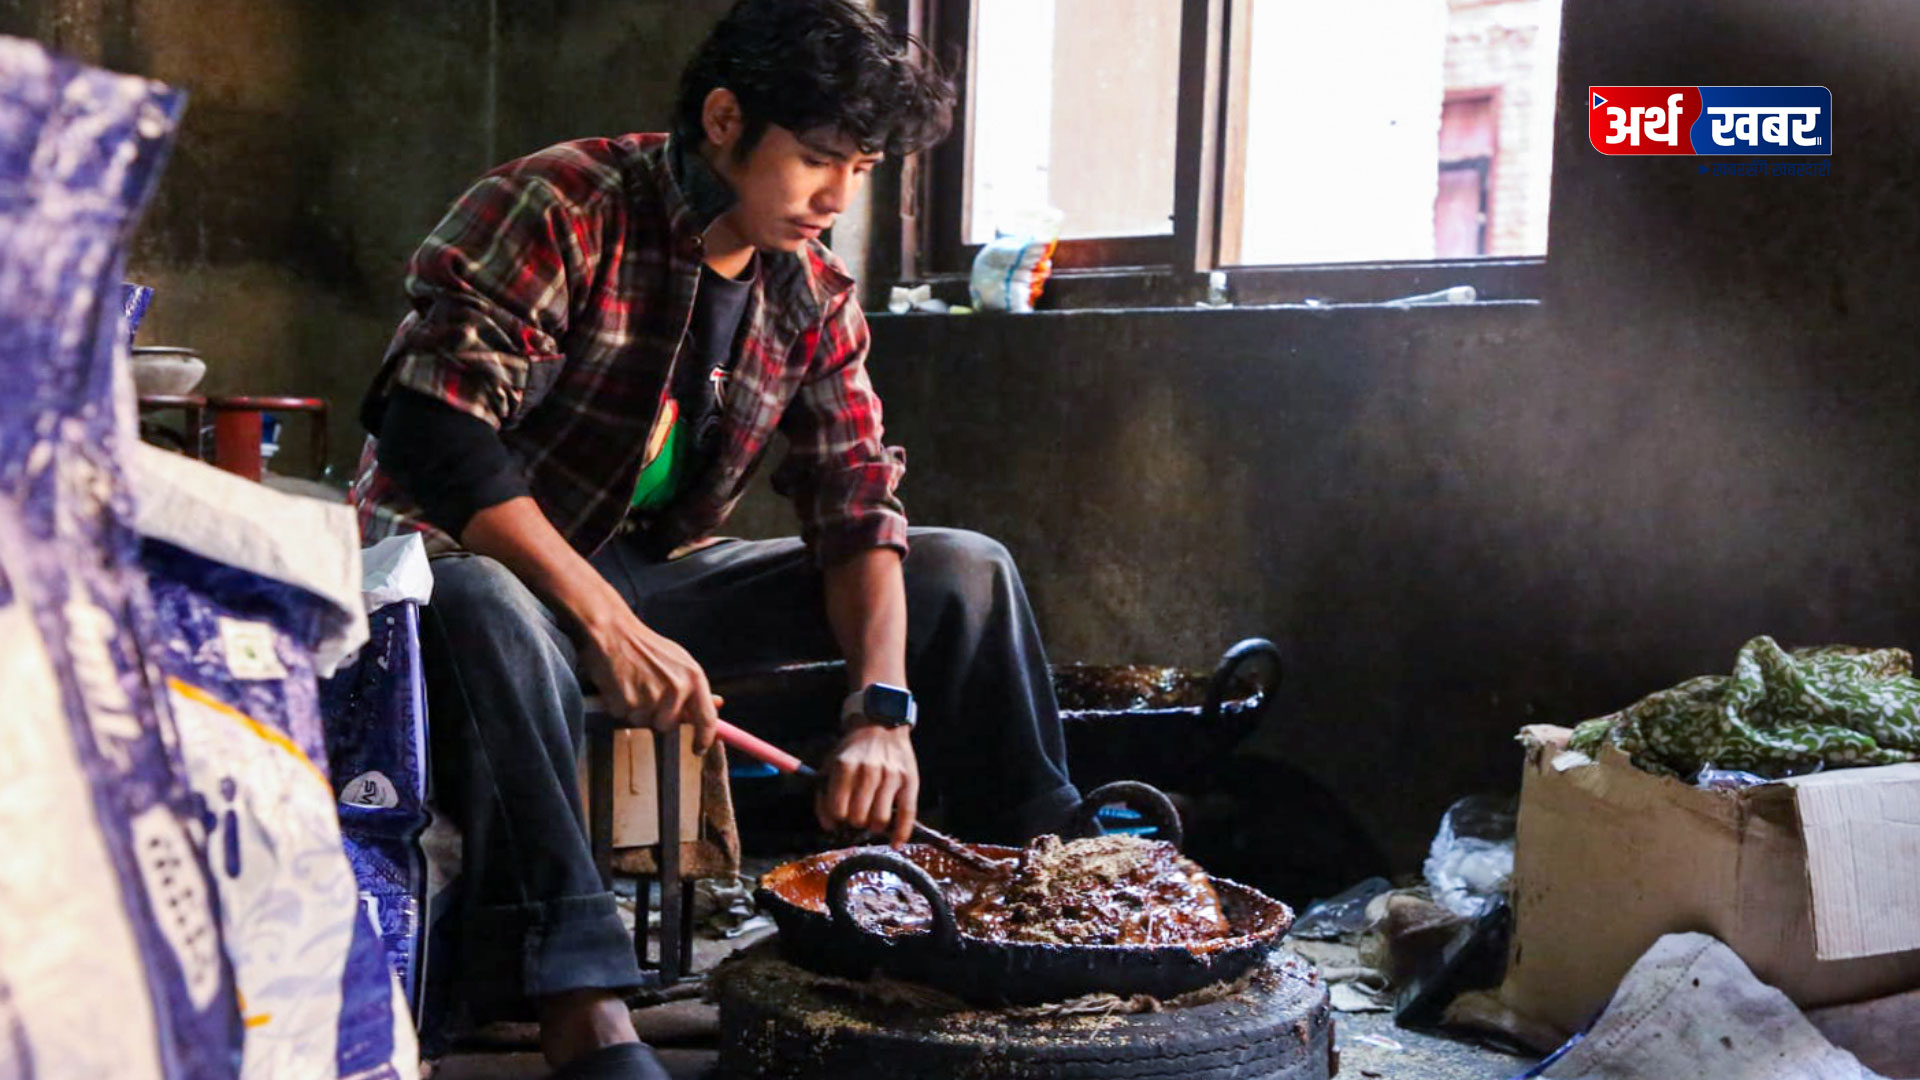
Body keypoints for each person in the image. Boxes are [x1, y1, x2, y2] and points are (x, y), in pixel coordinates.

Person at [351, 1, 1080, 1075]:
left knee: (965, 572)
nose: (836, 198)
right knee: (482, 603)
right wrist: (604, 622)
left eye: (860, 169)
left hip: (645, 574)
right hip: (462, 567)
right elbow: (435, 433)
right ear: (726, 119)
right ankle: (580, 999)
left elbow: (855, 497)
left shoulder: (812, 290)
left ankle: (1034, 905)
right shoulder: (564, 204)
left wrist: (882, 710)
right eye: (817, 160)